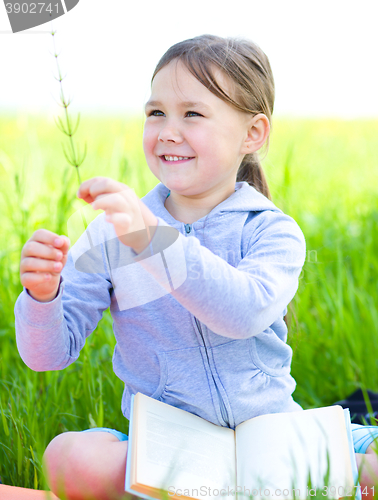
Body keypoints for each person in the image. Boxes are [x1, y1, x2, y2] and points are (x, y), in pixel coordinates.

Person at [14, 34, 378, 500]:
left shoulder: (271, 230)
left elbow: (241, 313)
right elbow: (49, 355)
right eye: (156, 112)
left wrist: (154, 242)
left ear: (253, 134)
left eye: (192, 114)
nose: (168, 129)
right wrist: (43, 296)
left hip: (272, 440)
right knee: (69, 458)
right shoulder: (113, 233)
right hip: (171, 452)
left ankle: (276, 482)